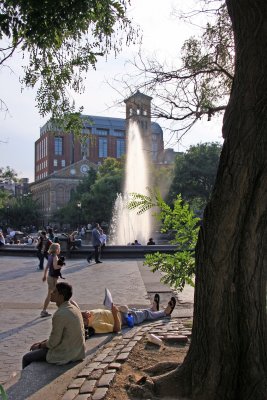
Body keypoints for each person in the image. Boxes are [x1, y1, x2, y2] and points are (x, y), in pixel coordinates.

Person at [22, 282, 85, 369]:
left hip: (66, 354)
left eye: (54, 292)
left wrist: (39, 346)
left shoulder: (60, 314)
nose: (51, 293)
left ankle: (25, 382)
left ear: (61, 296)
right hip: (78, 351)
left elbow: (53, 343)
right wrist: (42, 343)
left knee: (26, 358)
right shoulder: (73, 308)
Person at [81, 292, 176, 334]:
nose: (85, 314)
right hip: (125, 319)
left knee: (138, 310)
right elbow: (116, 329)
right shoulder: (95, 324)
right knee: (144, 314)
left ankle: (153, 309)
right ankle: (164, 312)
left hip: (122, 312)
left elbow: (74, 306)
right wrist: (114, 313)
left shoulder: (89, 314)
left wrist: (82, 313)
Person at [40, 243, 61, 317]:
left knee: (52, 294)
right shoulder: (55, 256)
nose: (59, 249)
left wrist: (44, 276)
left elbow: (46, 267)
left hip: (50, 277)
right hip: (53, 278)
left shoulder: (50, 256)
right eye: (59, 248)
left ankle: (44, 311)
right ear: (56, 249)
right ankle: (61, 311)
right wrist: (61, 264)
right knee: (56, 294)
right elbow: (55, 267)